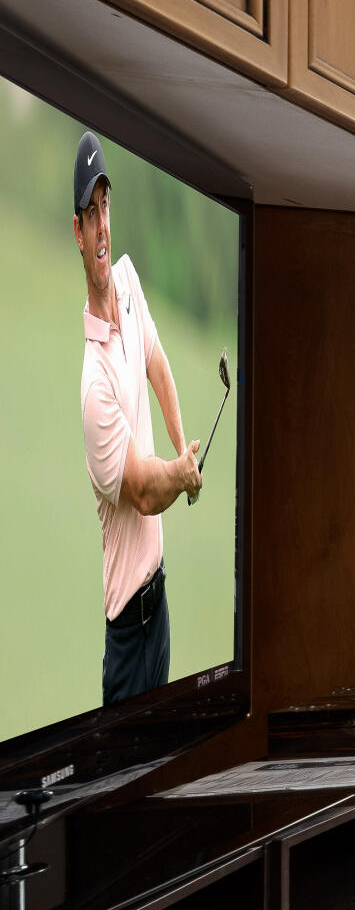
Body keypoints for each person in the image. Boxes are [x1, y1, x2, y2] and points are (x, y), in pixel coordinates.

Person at [73, 132, 201, 703]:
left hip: (161, 603)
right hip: (127, 632)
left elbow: (157, 363)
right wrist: (183, 473)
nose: (102, 227)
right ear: (77, 233)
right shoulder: (92, 384)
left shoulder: (126, 280)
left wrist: (182, 448)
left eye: (106, 208)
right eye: (89, 214)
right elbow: (146, 493)